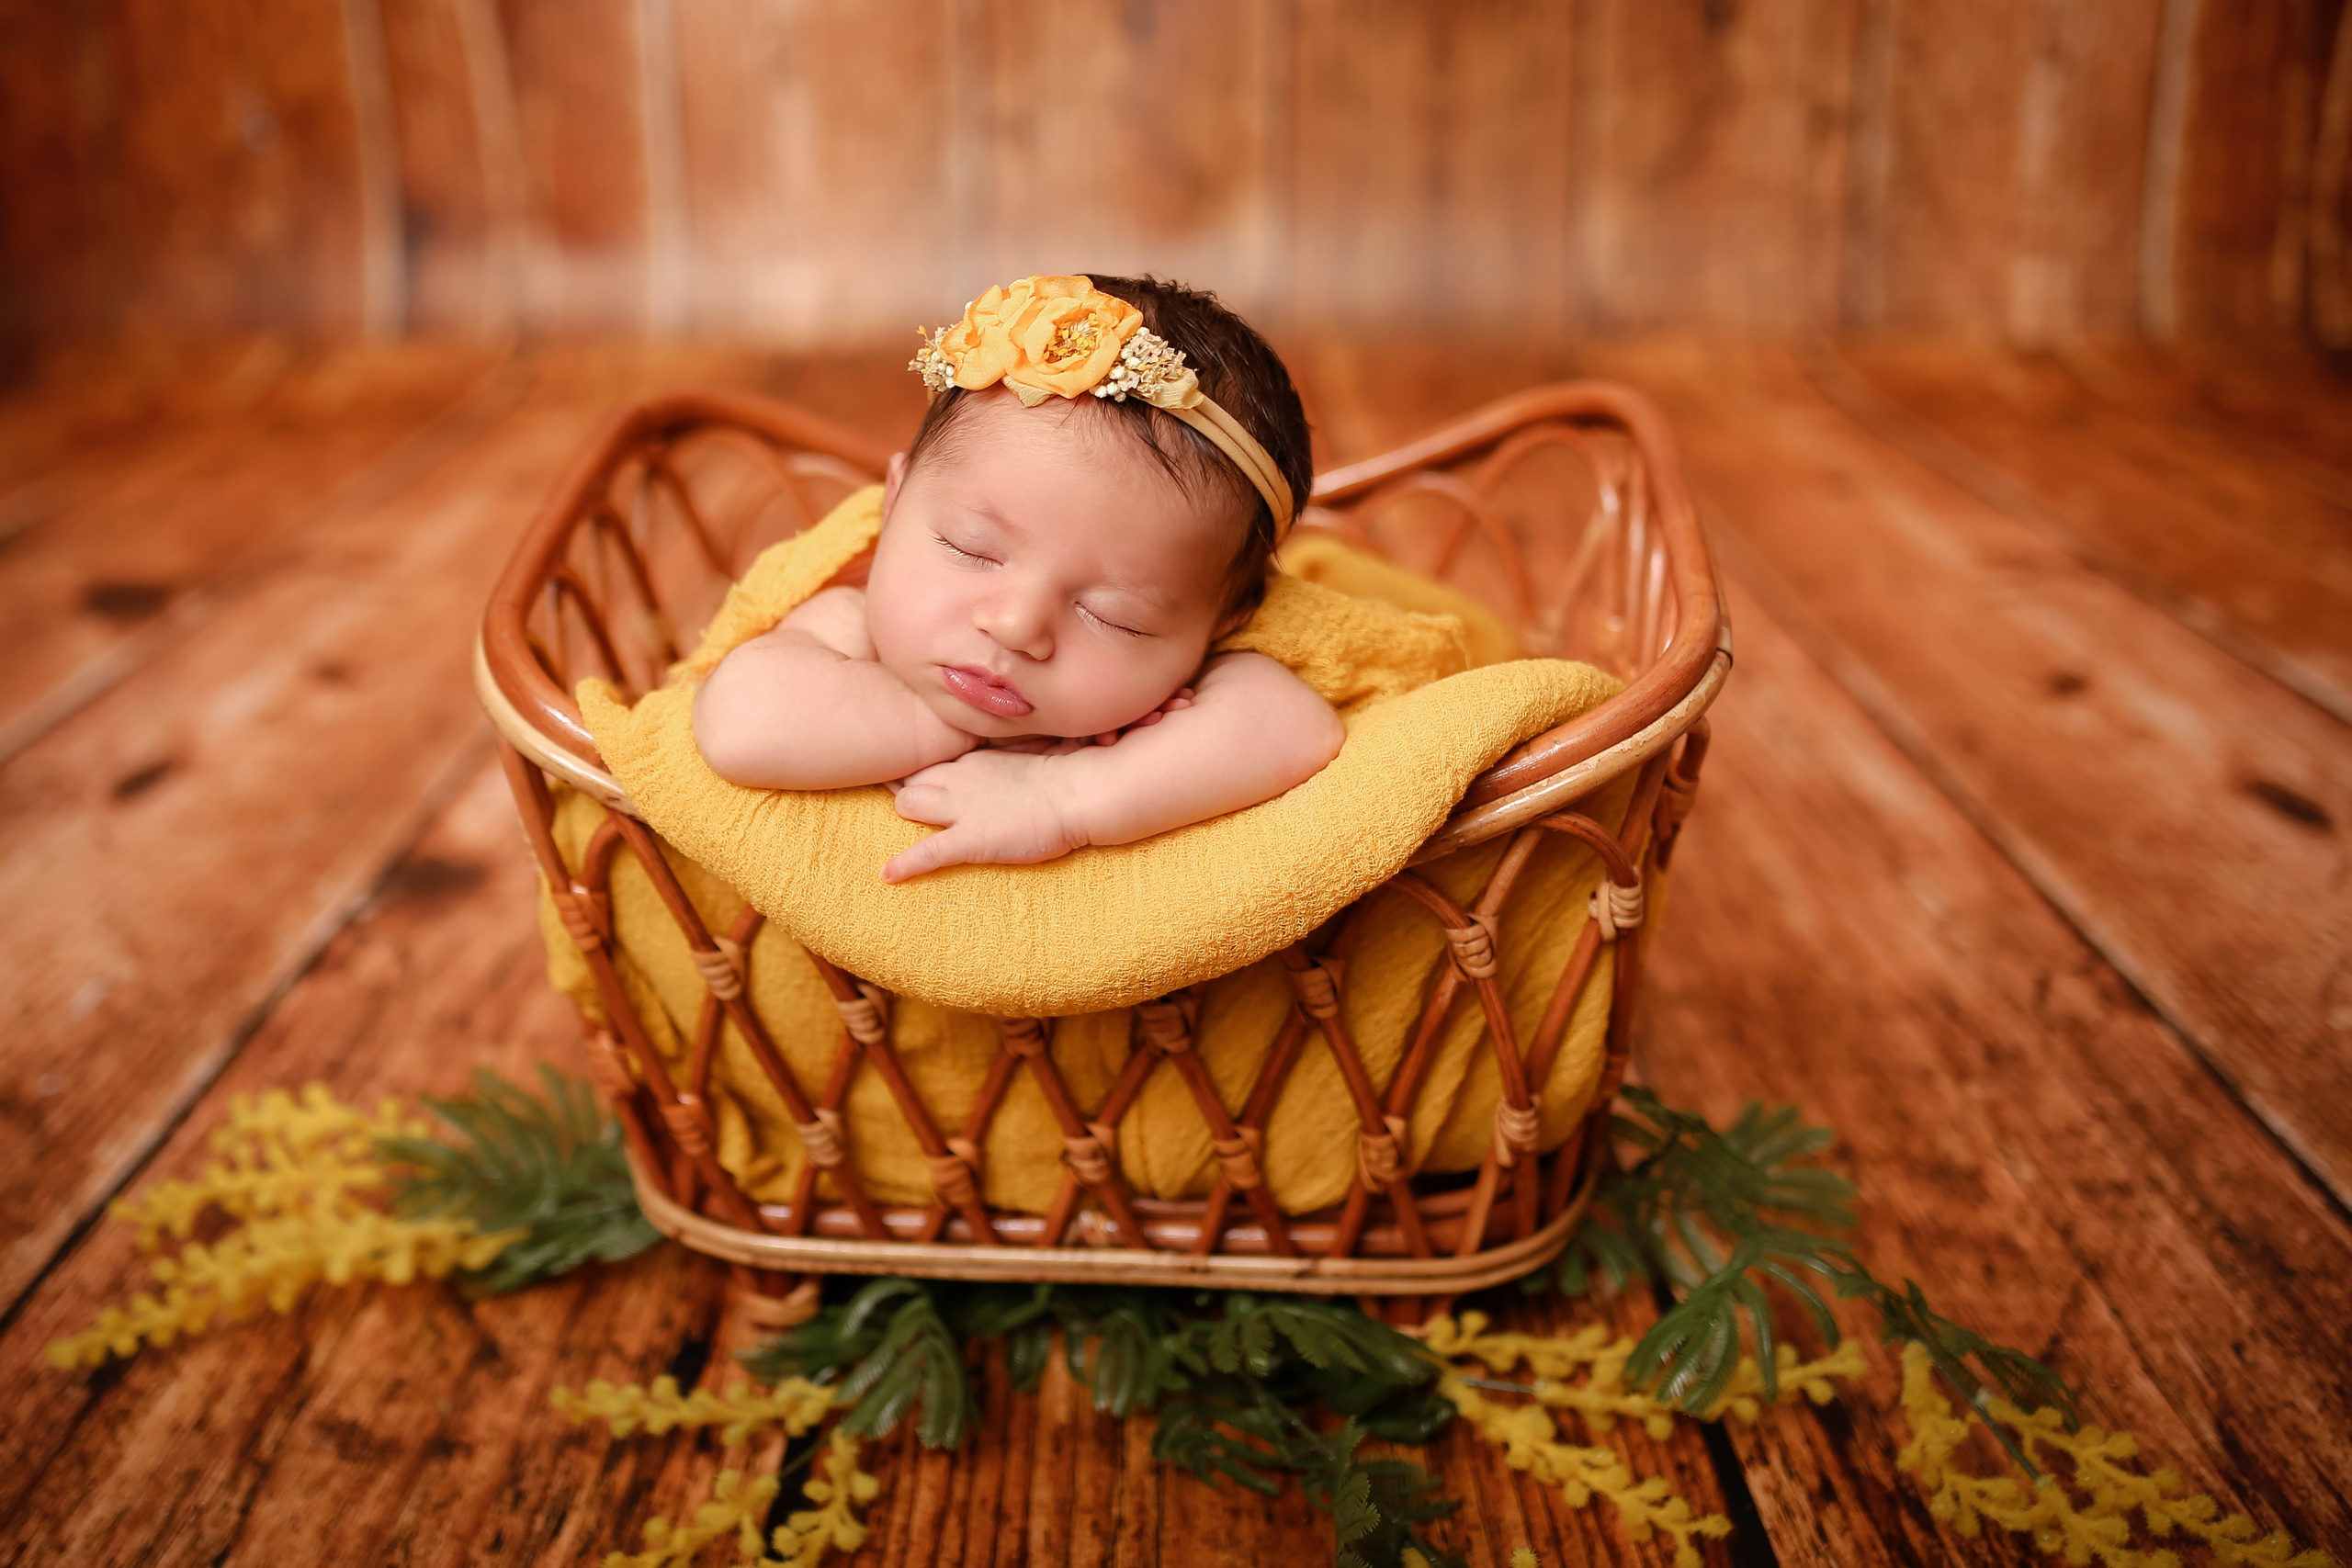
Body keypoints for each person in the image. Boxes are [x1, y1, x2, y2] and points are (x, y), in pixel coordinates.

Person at [690, 274, 1345, 883]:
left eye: (1115, 616)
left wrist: (1064, 796)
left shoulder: (1212, 674)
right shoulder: (849, 627)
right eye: (969, 548)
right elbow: (738, 723)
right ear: (893, 502)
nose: (1016, 626)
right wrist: (951, 731)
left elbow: (1296, 727)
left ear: (1224, 621)